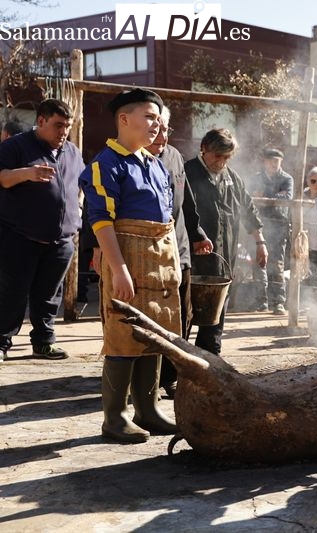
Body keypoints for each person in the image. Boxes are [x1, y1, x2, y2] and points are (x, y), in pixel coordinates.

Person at [79, 88, 178, 443]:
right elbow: (101, 221)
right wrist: (119, 269)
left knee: (153, 335)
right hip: (127, 262)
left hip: (159, 263)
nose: (156, 125)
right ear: (124, 119)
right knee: (123, 336)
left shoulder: (156, 164)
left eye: (158, 119)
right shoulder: (106, 164)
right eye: (149, 117)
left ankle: (147, 409)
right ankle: (115, 417)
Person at [0, 99, 84, 362]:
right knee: (12, 293)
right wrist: (27, 173)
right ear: (41, 121)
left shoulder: (72, 151)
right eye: (58, 125)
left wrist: (79, 208)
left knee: (49, 295)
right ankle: (1, 343)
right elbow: (2, 177)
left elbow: (80, 184)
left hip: (61, 240)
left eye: (67, 126)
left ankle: (44, 342)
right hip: (20, 236)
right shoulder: (15, 146)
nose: (64, 132)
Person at [145, 107, 213, 397]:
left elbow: (186, 202)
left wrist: (197, 234)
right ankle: (146, 378)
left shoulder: (174, 157)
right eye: (156, 128)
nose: (162, 135)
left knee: (182, 315)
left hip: (179, 246)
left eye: (166, 129)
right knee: (150, 314)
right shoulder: (131, 159)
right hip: (146, 252)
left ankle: (171, 376)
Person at [185, 128, 267, 355]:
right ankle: (175, 367)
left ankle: (210, 360)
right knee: (185, 314)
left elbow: (248, 210)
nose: (221, 162)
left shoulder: (232, 178)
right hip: (191, 259)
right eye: (217, 156)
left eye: (226, 157)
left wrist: (260, 242)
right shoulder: (187, 173)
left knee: (217, 313)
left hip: (223, 258)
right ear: (204, 148)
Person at [250, 147, 293, 315]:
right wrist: (274, 194)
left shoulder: (286, 178)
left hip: (279, 225)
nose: (274, 164)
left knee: (277, 264)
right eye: (271, 161)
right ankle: (261, 302)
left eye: (277, 161)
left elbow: (286, 197)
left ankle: (278, 302)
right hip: (259, 224)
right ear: (265, 162)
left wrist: (266, 194)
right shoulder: (256, 178)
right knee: (259, 263)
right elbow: (251, 197)